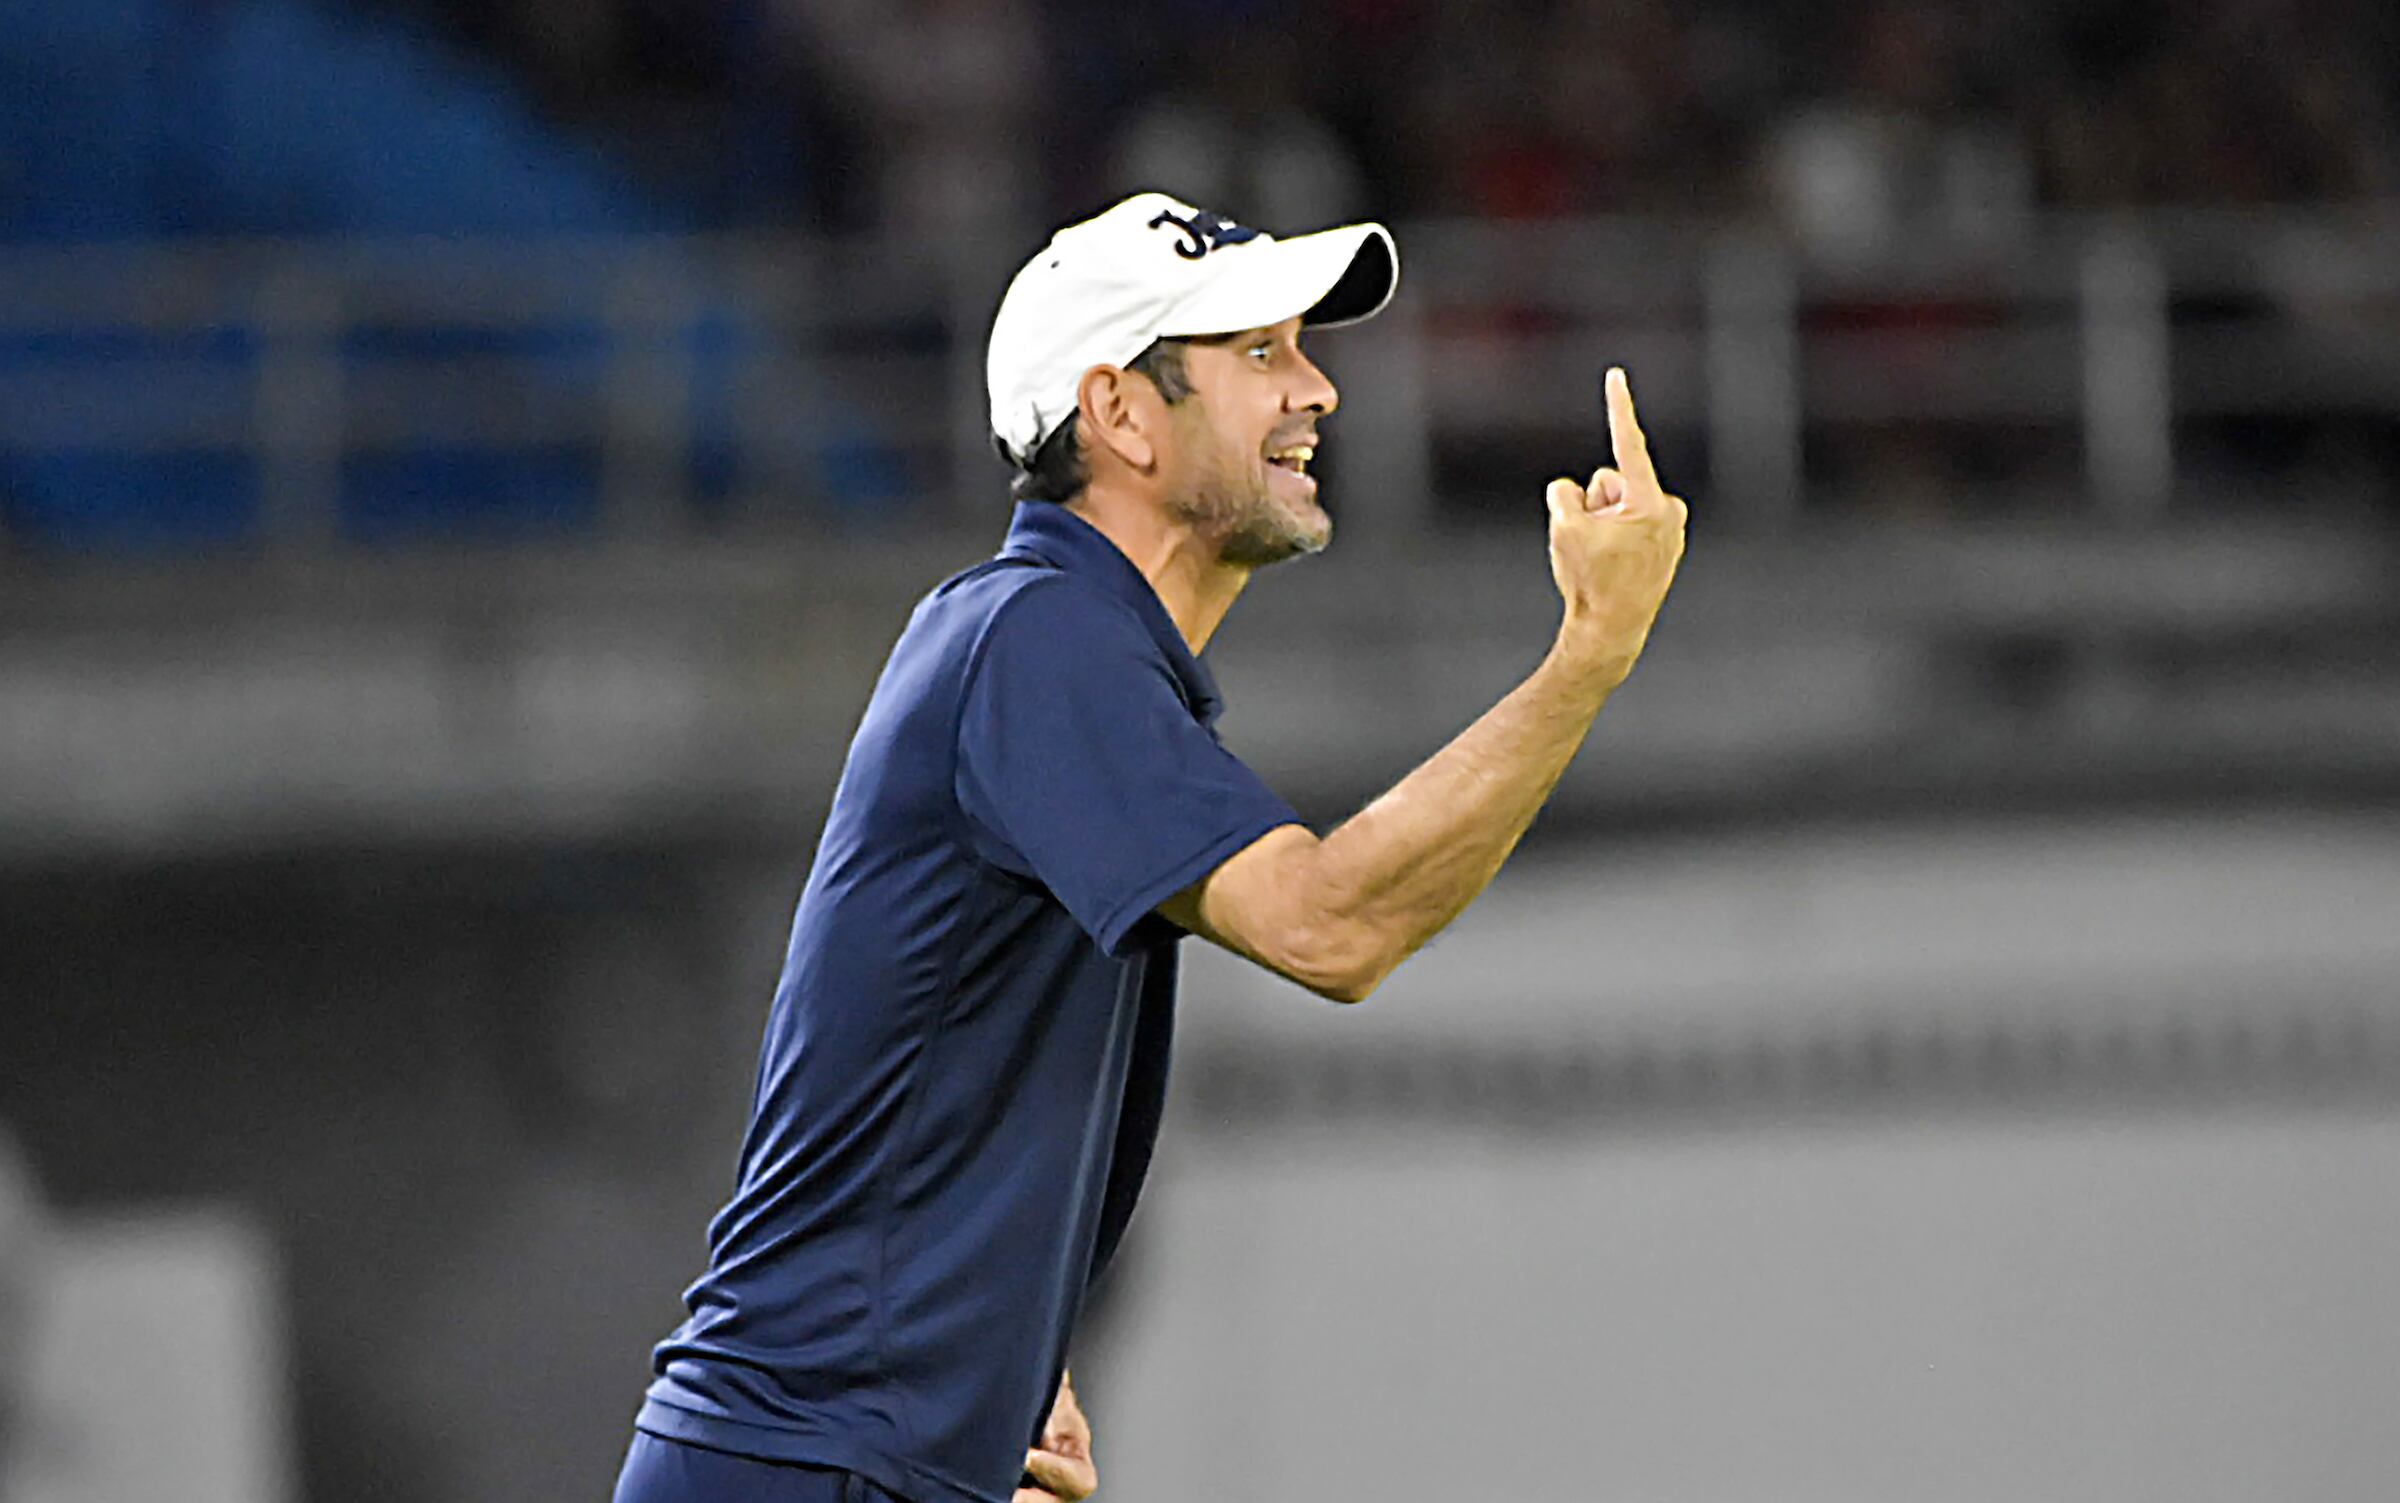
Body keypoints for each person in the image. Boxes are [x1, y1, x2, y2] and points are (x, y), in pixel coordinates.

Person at [614, 191, 1686, 1503]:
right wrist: (1589, 656)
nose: (1318, 391)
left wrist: (991, 1386)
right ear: (1119, 413)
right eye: (1258, 354)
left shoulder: (1052, 646)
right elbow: (1330, 929)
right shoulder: (1039, 639)